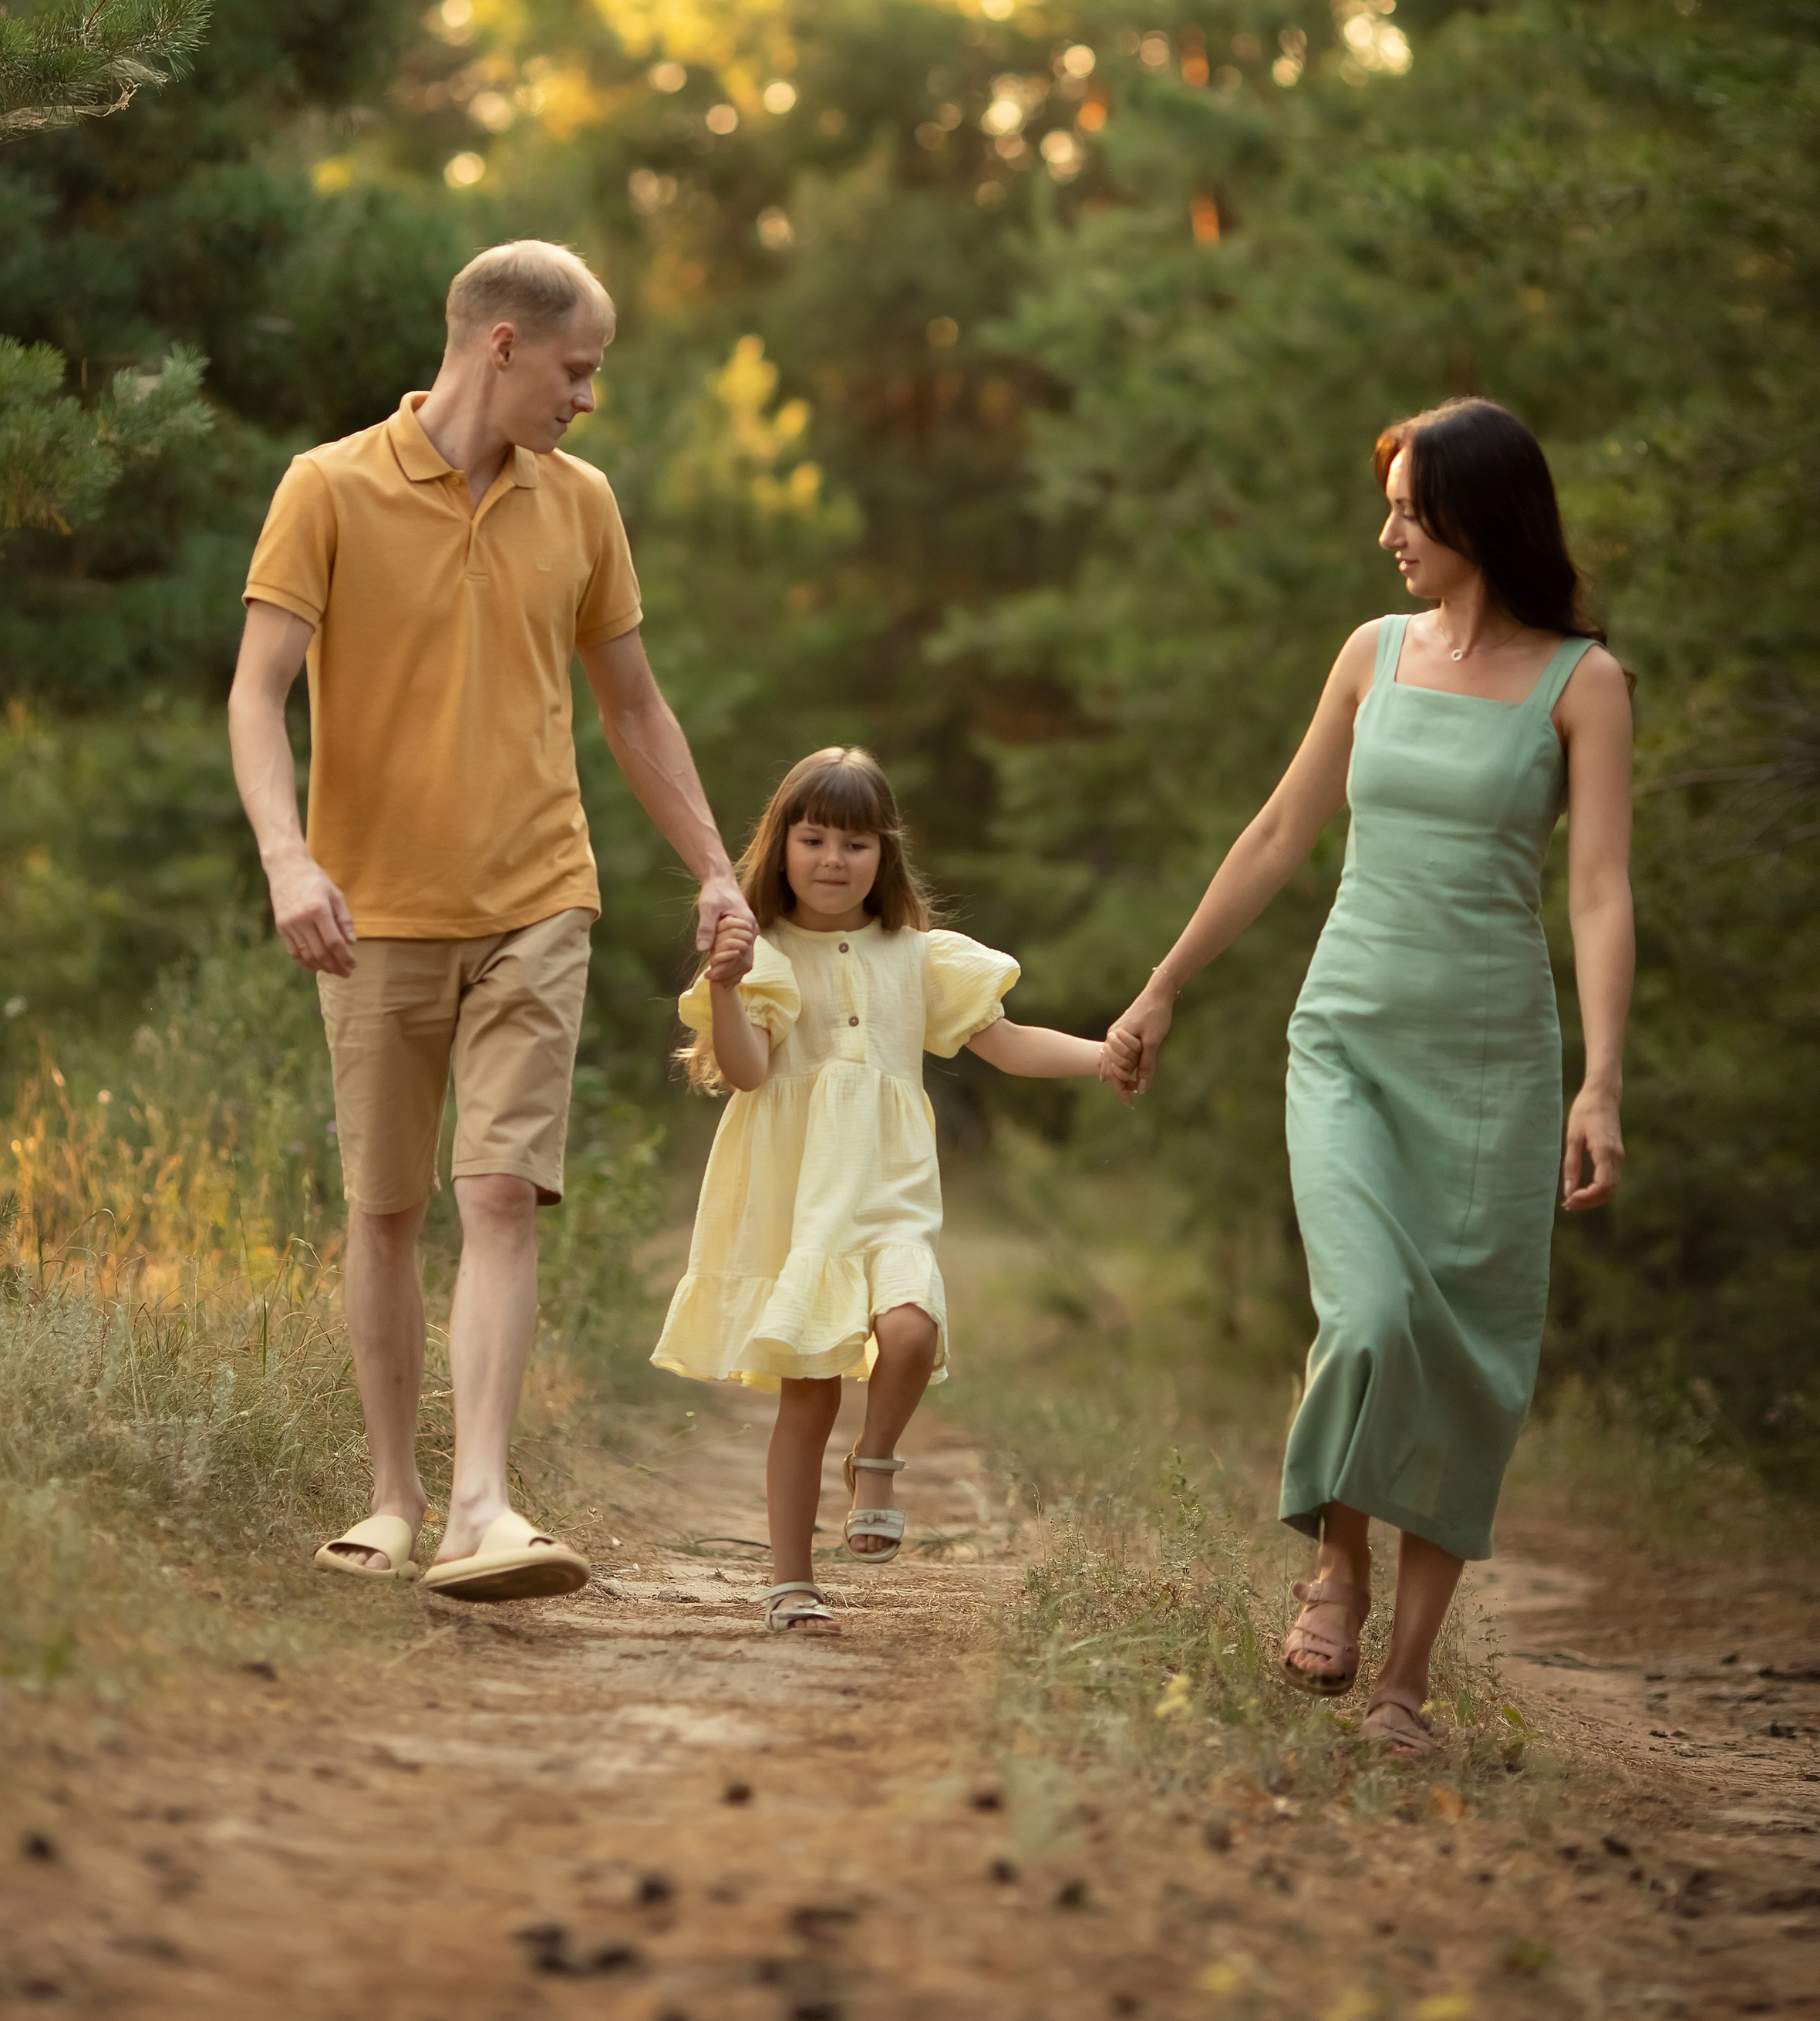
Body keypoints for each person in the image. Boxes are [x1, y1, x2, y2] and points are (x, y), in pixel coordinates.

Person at [228, 238, 756, 1602]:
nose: (589, 399)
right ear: (504, 344)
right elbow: (256, 695)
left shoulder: (583, 507)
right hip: (372, 908)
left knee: (502, 1192)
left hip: (537, 895)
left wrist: (713, 868)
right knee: (387, 1209)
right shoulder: (327, 487)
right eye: (578, 369)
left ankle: (483, 1505)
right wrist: (289, 860)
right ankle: (395, 1496)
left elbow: (632, 709)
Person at [1105, 398, 1633, 1756]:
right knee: (1374, 1313)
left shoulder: (1584, 681)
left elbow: (1598, 893)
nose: (1387, 530)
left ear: (1479, 515)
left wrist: (1603, 1083)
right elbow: (1284, 829)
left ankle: (1403, 1678)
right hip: (1347, 1035)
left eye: (1410, 507)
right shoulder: (1371, 654)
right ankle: (1334, 1568)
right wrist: (1165, 982)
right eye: (1389, 504)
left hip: (1496, 1064)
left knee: (1469, 1356)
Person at [652, 745, 1116, 1633]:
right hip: (800, 1197)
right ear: (780, 846)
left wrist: (1104, 1056)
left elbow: (1006, 1042)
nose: (833, 859)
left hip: (889, 1188)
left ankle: (876, 1457)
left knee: (910, 1328)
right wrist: (721, 986)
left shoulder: (918, 955)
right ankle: (791, 1579)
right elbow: (747, 1073)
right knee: (810, 1387)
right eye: (815, 837)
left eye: (856, 843)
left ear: (885, 853)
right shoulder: (763, 952)